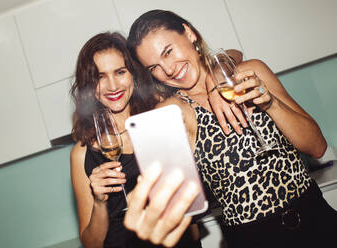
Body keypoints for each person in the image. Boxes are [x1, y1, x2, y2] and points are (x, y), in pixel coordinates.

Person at [123, 9, 337, 248]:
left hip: (317, 217)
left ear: (189, 33)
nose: (169, 70)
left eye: (169, 51)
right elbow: (173, 203)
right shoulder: (173, 111)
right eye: (154, 68)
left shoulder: (251, 72)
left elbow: (317, 147)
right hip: (253, 237)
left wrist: (270, 104)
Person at [70, 32, 206, 248]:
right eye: (100, 77)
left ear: (133, 74)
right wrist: (99, 201)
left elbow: (216, 67)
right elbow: (91, 244)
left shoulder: (161, 117)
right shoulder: (82, 153)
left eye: (120, 72)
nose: (112, 86)